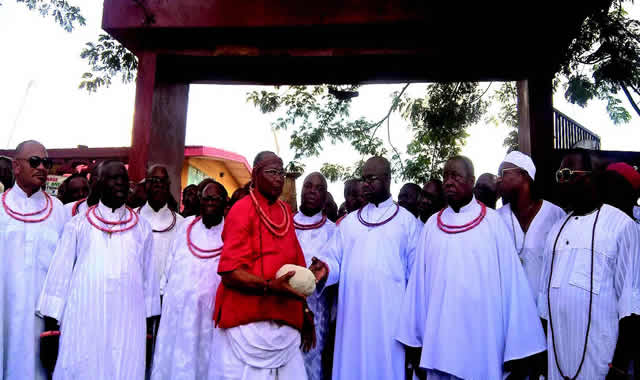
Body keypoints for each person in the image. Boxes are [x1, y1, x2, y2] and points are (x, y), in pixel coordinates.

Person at [396, 155, 546, 380]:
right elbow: (418, 287)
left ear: (472, 181)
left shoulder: (492, 223)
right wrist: (415, 341)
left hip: (482, 341)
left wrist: (518, 348)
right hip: (439, 342)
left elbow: (512, 285)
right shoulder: (431, 227)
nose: (448, 181)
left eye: (455, 176)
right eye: (445, 176)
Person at [37, 160, 161, 380]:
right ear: (100, 183)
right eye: (114, 178)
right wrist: (51, 330)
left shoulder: (142, 228)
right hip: (83, 319)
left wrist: (149, 333)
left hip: (128, 324)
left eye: (124, 179)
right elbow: (59, 277)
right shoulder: (78, 224)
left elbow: (149, 281)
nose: (121, 184)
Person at [310, 156, 421, 380]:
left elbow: (416, 278)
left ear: (388, 179)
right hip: (353, 317)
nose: (366, 184)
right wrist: (325, 269)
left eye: (372, 178)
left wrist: (413, 329)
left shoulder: (407, 223)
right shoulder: (349, 223)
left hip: (390, 320)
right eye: (363, 179)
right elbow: (334, 258)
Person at [210, 151, 314, 380]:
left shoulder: (286, 212)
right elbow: (229, 272)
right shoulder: (241, 209)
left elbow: (297, 266)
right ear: (256, 175)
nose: (279, 178)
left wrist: (305, 311)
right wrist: (269, 286)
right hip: (246, 324)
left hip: (284, 321)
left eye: (282, 172)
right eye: (273, 172)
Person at [539, 150, 640, 380]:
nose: (561, 181)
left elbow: (632, 306)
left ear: (591, 177)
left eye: (567, 173)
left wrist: (620, 367)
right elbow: (543, 305)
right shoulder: (556, 229)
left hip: (601, 364)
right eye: (559, 175)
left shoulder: (621, 226)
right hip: (557, 364)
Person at [0, 140, 67, 380]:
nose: (42, 168)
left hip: (43, 313)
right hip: (4, 307)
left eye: (46, 163)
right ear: (16, 167)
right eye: (35, 161)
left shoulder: (59, 210)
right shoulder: (0, 207)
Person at [151, 181, 228, 380]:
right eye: (205, 198)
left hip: (210, 318)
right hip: (178, 314)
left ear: (225, 204)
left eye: (214, 199)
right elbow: (170, 263)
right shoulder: (186, 225)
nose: (209, 203)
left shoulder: (232, 232)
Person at [496, 151, 566, 305]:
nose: (498, 179)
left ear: (524, 175)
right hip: (510, 309)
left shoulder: (556, 215)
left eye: (503, 173)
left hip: (546, 312)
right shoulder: (496, 219)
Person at [293, 172, 337, 380]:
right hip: (284, 309)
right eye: (308, 186)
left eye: (319, 188)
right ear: (301, 190)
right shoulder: (285, 224)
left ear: (325, 195)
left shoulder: (334, 231)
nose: (312, 191)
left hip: (317, 315)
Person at [137, 165, 184, 297]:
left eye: (163, 181)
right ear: (146, 184)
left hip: (168, 295)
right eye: (154, 180)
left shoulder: (181, 223)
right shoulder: (132, 219)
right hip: (136, 293)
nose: (159, 185)